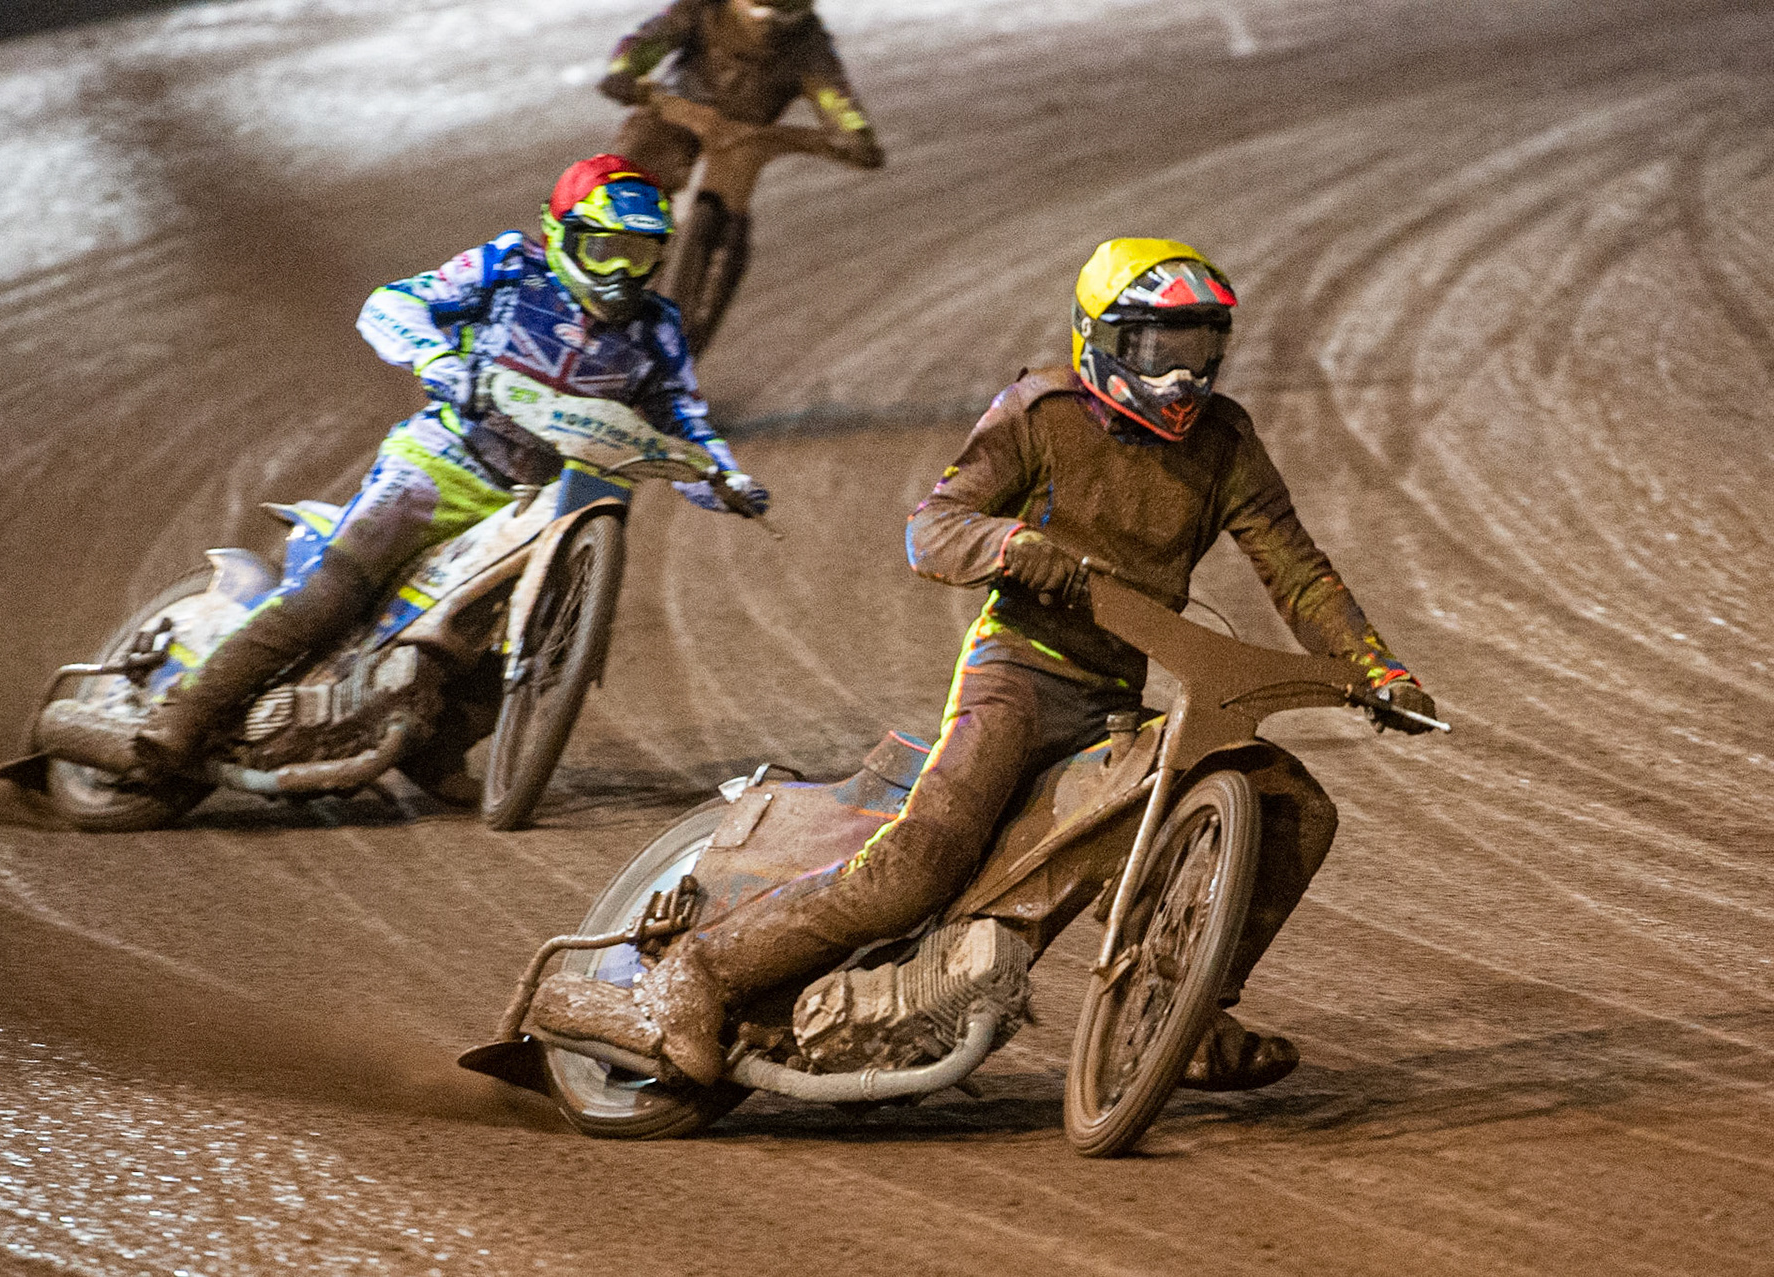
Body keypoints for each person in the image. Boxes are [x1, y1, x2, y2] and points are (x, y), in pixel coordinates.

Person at [538, 237, 1438, 1092]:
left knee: (1296, 806)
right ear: (1101, 341)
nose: (1179, 376)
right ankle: (696, 972)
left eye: (1199, 350)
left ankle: (1189, 1010)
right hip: (1018, 672)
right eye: (1157, 347)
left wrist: (1375, 669)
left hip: (1117, 701)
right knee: (921, 863)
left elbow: (1297, 566)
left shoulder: (1226, 442)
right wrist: (1009, 543)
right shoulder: (1041, 413)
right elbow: (932, 525)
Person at [133, 155, 767, 774]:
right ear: (563, 237)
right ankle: (182, 715)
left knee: (556, 635)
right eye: (608, 251)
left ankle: (434, 751)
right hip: (445, 461)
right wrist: (440, 364)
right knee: (336, 589)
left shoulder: (658, 328)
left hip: (550, 497)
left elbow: (681, 414)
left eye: (644, 253)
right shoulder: (510, 267)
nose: (625, 272)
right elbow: (391, 304)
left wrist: (724, 479)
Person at [597, 0, 884, 339]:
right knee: (625, 184)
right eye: (760, 9)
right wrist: (625, 70)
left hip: (744, 140)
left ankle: (707, 295)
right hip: (677, 115)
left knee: (733, 216)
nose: (770, 21)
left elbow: (838, 100)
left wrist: (854, 134)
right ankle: (587, 276)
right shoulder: (703, 8)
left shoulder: (811, 45)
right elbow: (653, 39)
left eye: (785, 13)